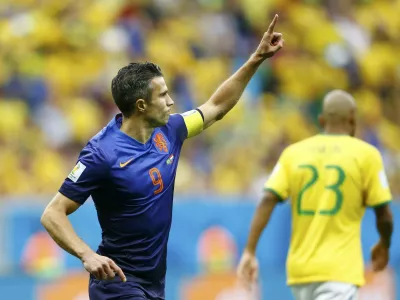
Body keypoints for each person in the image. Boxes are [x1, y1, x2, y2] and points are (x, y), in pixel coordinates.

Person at [40, 14, 284, 300]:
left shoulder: (170, 131)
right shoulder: (101, 153)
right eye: (163, 95)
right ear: (142, 105)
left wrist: (256, 58)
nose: (171, 101)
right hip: (117, 284)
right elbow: (52, 213)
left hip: (154, 284)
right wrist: (87, 255)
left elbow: (216, 106)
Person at [237, 90, 394, 300]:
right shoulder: (366, 155)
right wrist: (384, 243)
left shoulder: (294, 153)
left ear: (321, 120)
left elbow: (267, 199)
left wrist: (249, 250)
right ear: (353, 120)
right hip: (340, 271)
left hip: (300, 272)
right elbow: (383, 212)